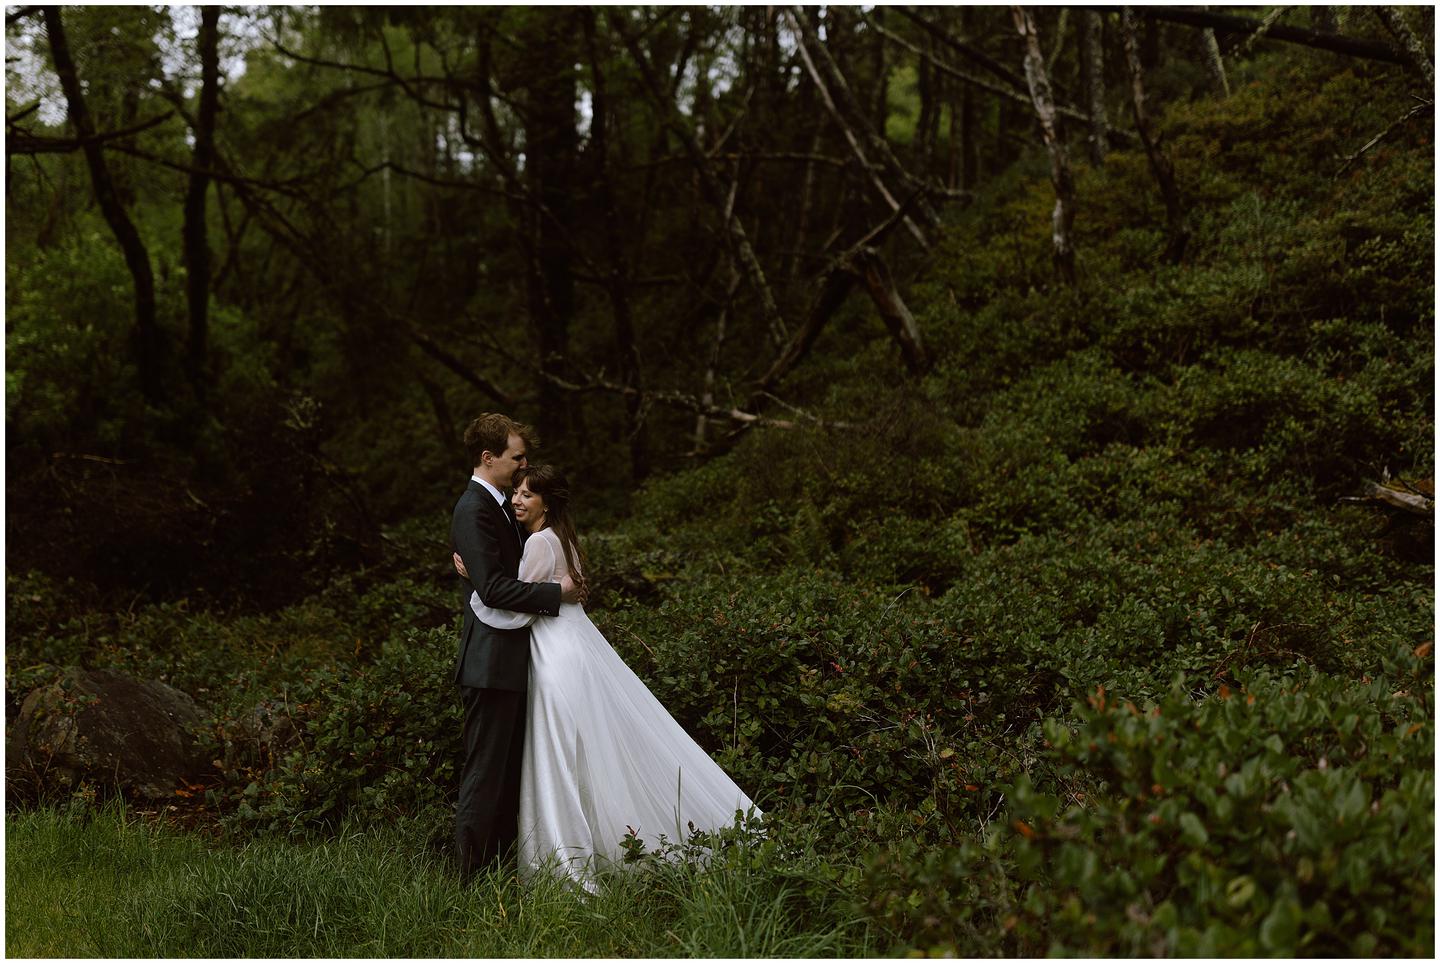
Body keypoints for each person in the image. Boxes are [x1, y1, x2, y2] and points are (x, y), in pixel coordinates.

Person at [454, 464, 761, 892]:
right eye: (517, 493)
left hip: (553, 653)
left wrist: (476, 582)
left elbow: (511, 611)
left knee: (560, 752)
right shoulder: (562, 539)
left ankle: (567, 856)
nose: (517, 500)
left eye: (527, 495)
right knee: (588, 749)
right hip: (575, 646)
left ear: (547, 502)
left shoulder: (540, 543)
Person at [450, 414, 585, 884]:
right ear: (488, 458)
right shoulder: (474, 508)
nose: (524, 465)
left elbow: (499, 574)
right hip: (490, 662)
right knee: (486, 773)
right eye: (517, 458)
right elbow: (495, 590)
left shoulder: (503, 507)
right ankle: (467, 881)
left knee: (508, 774)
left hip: (515, 657)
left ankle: (502, 869)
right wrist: (555, 594)